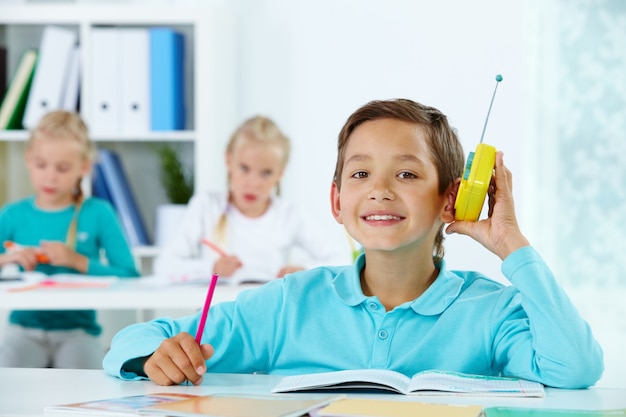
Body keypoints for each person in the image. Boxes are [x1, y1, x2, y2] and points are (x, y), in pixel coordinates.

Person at [103, 99, 604, 388]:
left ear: (451, 199)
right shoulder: (287, 305)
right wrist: (153, 356)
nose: (380, 190)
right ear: (337, 200)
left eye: (406, 173)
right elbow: (136, 341)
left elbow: (575, 368)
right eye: (361, 173)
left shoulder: (492, 311)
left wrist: (512, 247)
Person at [0, 110, 139, 369]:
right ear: (28, 159)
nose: (50, 176)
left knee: (84, 389)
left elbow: (130, 274)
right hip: (23, 329)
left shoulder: (98, 213)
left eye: (62, 168)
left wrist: (76, 261)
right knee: (8, 381)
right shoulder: (12, 215)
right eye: (41, 165)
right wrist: (9, 258)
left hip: (79, 331)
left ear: (83, 167)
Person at [153, 115, 350, 283]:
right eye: (244, 168)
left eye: (266, 173)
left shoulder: (288, 214)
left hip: (268, 319)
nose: (253, 183)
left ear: (280, 173)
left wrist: (303, 270)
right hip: (215, 319)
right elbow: (164, 266)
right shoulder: (207, 206)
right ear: (228, 160)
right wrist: (212, 267)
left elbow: (342, 259)